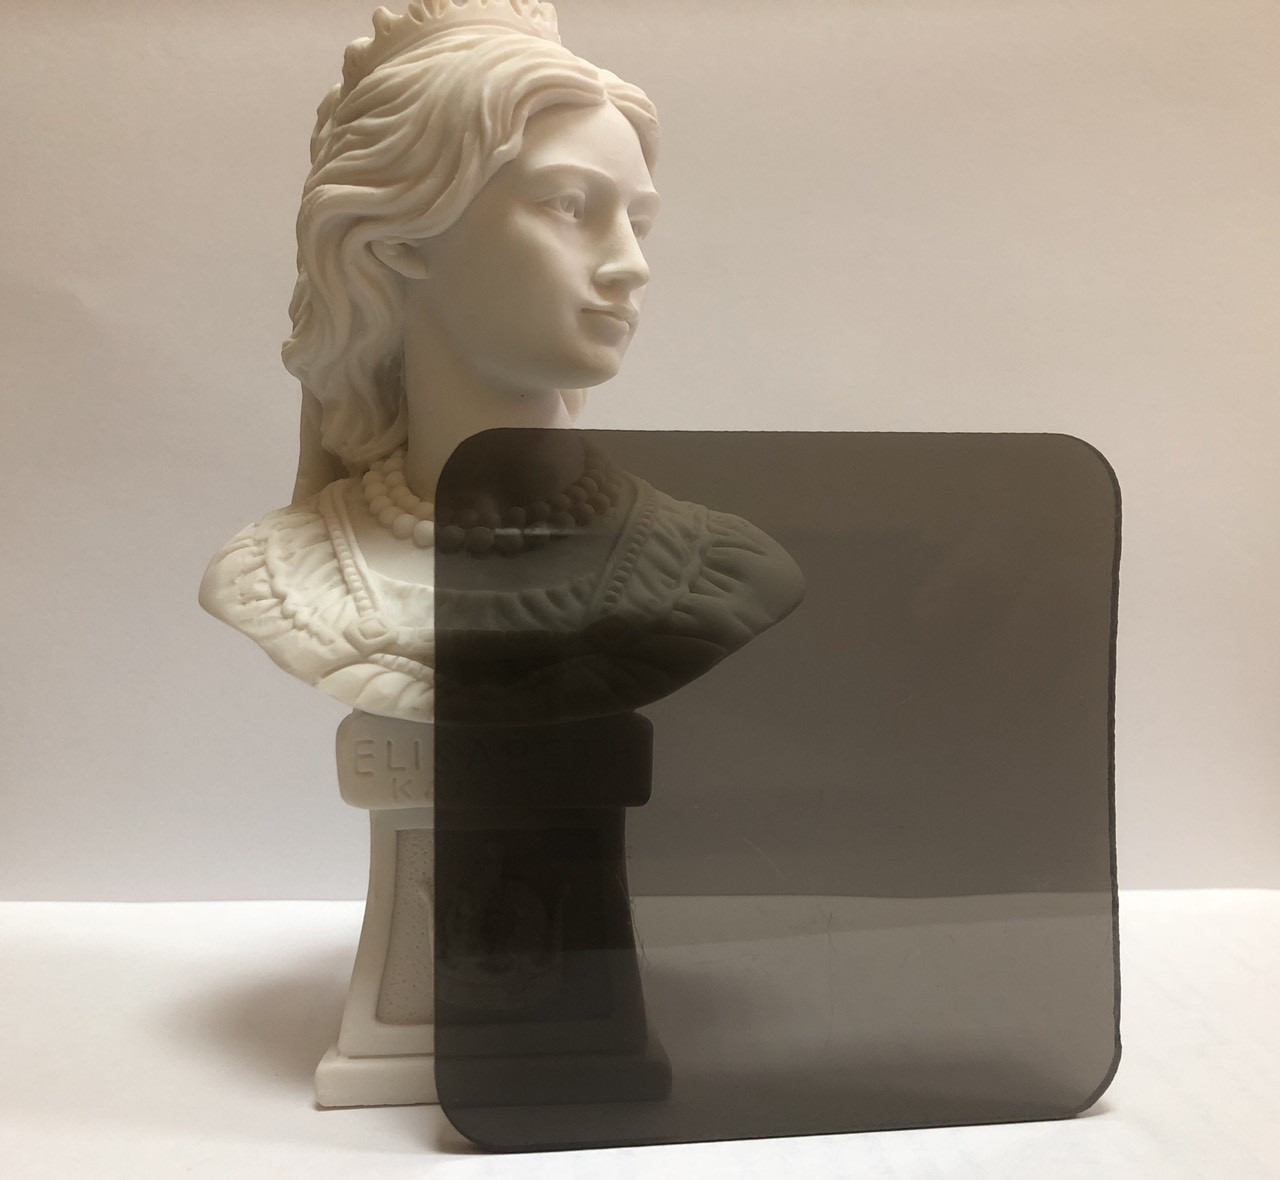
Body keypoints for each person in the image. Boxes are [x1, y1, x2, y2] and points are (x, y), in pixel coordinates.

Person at [200, 0, 803, 723]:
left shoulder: (723, 572)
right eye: (570, 205)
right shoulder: (275, 576)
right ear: (400, 237)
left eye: (637, 223)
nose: (632, 265)